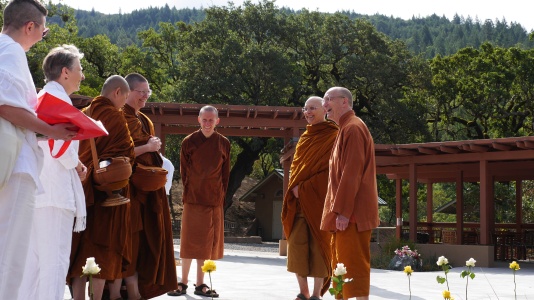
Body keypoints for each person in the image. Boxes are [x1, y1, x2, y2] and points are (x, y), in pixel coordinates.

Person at [0, 1, 76, 299]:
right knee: (10, 251)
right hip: (15, 164)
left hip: (13, 155)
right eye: (44, 31)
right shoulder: (11, 51)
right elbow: (6, 106)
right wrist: (53, 131)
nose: (43, 36)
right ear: (29, 27)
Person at [18, 44, 88, 300]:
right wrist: (79, 165)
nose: (82, 76)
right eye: (79, 69)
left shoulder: (38, 98)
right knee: (54, 265)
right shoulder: (58, 101)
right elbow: (62, 148)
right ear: (65, 72)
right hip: (55, 193)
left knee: (32, 266)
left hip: (35, 190)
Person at [67, 75, 134, 300]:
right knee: (103, 250)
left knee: (80, 250)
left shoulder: (83, 114)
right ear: (117, 93)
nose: (124, 103)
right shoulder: (115, 116)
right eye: (125, 97)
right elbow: (127, 152)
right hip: (108, 193)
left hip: (82, 190)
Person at [112, 72, 177, 299]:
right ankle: (121, 291)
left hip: (148, 191)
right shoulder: (120, 117)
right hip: (127, 189)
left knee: (145, 241)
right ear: (128, 92)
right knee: (128, 239)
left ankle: (137, 289)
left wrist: (151, 148)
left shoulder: (145, 119)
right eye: (142, 92)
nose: (145, 97)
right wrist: (149, 148)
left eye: (147, 93)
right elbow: (119, 154)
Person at [320, 87, 379, 300]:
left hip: (352, 215)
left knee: (354, 265)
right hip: (346, 214)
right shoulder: (345, 128)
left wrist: (343, 212)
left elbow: (351, 172)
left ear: (344, 102)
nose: (324, 104)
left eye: (328, 99)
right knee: (342, 264)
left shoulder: (353, 128)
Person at [168, 105, 230, 298]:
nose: (207, 123)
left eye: (211, 120)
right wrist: (190, 191)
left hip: (213, 198)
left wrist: (219, 195)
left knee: (206, 243)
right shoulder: (189, 141)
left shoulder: (224, 143)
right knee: (188, 241)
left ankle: (201, 283)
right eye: (204, 120)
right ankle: (182, 282)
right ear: (198, 120)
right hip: (193, 197)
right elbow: (184, 171)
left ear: (217, 121)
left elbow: (225, 174)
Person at [282, 96, 339, 300]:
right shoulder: (305, 137)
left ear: (324, 109)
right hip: (298, 205)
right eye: (305, 108)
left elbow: (332, 172)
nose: (308, 112)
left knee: (318, 249)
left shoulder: (333, 135)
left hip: (319, 204)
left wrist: (304, 188)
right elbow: (297, 169)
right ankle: (303, 291)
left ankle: (316, 294)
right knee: (296, 249)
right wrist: (296, 190)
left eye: (312, 108)